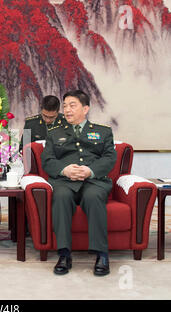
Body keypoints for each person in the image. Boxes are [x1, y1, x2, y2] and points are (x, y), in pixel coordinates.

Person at [41, 90, 116, 276]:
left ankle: (102, 255)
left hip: (94, 181)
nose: (67, 110)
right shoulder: (54, 132)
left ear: (85, 108)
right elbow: (47, 160)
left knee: (93, 197)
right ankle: (64, 254)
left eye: (72, 105)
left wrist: (90, 171)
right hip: (65, 181)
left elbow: (109, 158)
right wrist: (64, 170)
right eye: (65, 106)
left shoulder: (102, 132)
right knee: (61, 196)